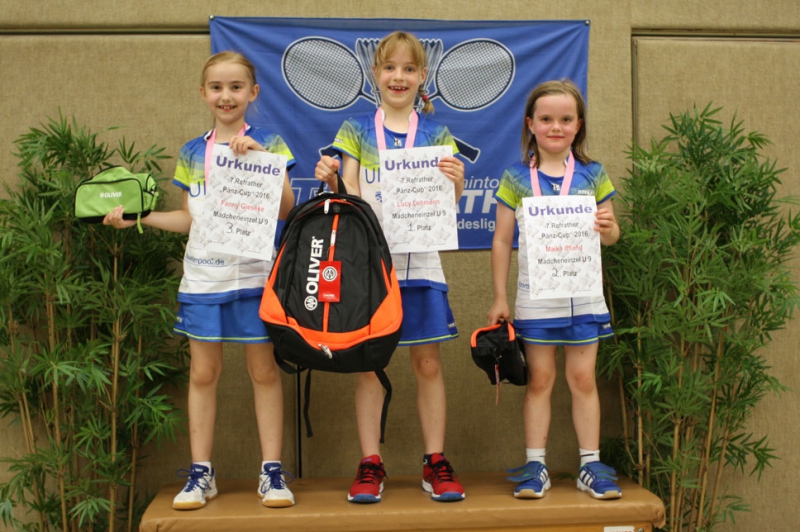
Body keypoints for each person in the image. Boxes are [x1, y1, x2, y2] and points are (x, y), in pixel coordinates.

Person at [104, 51, 296, 510]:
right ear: (203, 93)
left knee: (263, 372)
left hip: (254, 278)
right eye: (216, 87)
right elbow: (191, 218)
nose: (225, 96)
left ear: (253, 92)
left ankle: (272, 471)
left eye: (235, 87)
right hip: (203, 281)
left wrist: (264, 161)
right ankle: (201, 472)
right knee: (204, 373)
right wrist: (141, 217)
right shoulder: (193, 151)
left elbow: (287, 209)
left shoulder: (270, 140)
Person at [315, 31, 466, 504]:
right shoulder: (356, 129)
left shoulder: (437, 134)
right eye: (389, 67)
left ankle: (435, 461)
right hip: (369, 268)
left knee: (427, 362)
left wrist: (457, 184)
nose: (398, 76)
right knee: (367, 366)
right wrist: (335, 179)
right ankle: (370, 462)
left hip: (421, 264)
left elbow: (446, 205)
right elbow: (353, 194)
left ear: (422, 77)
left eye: (408, 69)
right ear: (375, 74)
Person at [486, 79, 623, 500]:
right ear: (531, 124)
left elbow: (612, 235)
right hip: (537, 300)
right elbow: (500, 239)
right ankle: (536, 465)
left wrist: (609, 228)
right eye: (546, 119)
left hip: (582, 296)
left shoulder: (593, 173)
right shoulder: (515, 177)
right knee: (540, 381)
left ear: (578, 125)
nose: (556, 127)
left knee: (583, 379)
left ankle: (589, 464)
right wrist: (500, 296)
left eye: (565, 119)